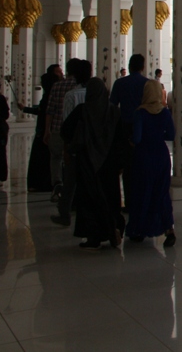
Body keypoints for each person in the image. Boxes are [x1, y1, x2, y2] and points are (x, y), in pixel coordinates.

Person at [61, 77, 129, 249]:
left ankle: (94, 236)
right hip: (109, 163)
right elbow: (121, 139)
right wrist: (120, 163)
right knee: (110, 197)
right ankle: (114, 227)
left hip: (87, 162)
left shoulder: (82, 111)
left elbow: (65, 131)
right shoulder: (114, 111)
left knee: (90, 199)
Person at [126, 80, 176, 246]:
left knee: (143, 191)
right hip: (161, 156)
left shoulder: (140, 113)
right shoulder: (165, 113)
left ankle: (139, 229)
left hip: (144, 156)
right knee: (161, 192)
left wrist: (131, 143)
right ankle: (169, 228)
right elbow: (171, 135)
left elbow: (137, 138)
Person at [51, 59, 92, 226]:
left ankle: (65, 212)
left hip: (76, 143)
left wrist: (67, 148)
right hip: (91, 143)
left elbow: (67, 123)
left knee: (70, 180)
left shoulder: (72, 95)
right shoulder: (94, 92)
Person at [110, 54, 148, 211]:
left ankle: (129, 201)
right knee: (142, 165)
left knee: (127, 166)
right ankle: (142, 200)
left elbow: (112, 106)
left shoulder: (120, 83)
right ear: (142, 67)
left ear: (130, 66)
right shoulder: (147, 84)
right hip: (144, 128)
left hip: (125, 128)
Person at [23, 64, 61, 192]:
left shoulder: (50, 94)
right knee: (45, 157)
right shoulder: (53, 93)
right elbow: (45, 112)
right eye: (58, 72)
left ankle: (41, 182)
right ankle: (44, 182)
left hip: (44, 130)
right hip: (46, 130)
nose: (61, 74)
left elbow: (42, 111)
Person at [46, 58, 80, 199]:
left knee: (56, 157)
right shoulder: (79, 86)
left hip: (57, 128)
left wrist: (47, 129)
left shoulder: (57, 86)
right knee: (72, 159)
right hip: (74, 130)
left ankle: (57, 184)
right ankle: (72, 188)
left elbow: (50, 110)